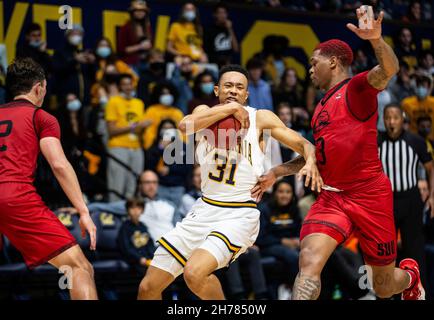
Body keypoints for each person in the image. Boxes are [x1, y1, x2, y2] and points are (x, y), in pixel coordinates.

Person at [252, 7, 426, 300]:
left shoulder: (357, 88)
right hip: (332, 197)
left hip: (369, 195)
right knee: (307, 263)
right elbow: (315, 158)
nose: (309, 70)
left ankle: (411, 277)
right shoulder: (319, 108)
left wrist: (375, 41)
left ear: (332, 62)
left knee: (382, 287)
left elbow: (389, 70)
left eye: (313, 63)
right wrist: (276, 172)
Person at [137, 64, 322, 300]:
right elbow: (185, 126)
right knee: (148, 288)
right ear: (217, 90)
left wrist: (277, 172)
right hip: (203, 209)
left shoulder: (260, 118)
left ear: (247, 94)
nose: (233, 91)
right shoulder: (204, 111)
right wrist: (232, 108)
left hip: (238, 213)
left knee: (194, 273)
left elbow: (307, 147)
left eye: (239, 88)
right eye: (228, 86)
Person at [0, 57, 97, 299]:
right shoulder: (41, 117)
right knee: (79, 268)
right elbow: (59, 164)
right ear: (39, 87)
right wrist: (83, 211)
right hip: (15, 196)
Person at [378, 103, 434, 286]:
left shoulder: (415, 141)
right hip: (386, 203)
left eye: (395, 117)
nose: (391, 122)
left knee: (415, 249)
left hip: (411, 200)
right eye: (387, 118)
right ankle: (385, 294)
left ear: (403, 120)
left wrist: (432, 195)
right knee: (385, 252)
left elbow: (430, 168)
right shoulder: (376, 142)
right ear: (383, 120)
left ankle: (420, 292)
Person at [105, 73, 151, 201]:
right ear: (119, 87)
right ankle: (115, 215)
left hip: (137, 148)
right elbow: (111, 130)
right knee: (117, 186)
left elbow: (139, 128)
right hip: (118, 146)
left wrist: (143, 127)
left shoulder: (139, 103)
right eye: (124, 84)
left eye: (130, 84)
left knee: (134, 185)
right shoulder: (113, 102)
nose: (128, 87)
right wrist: (134, 126)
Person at [117, 197, 156, 273]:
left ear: (142, 210)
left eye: (138, 208)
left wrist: (154, 257)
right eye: (132, 208)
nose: (135, 211)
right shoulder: (125, 227)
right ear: (127, 210)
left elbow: (150, 244)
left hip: (147, 259)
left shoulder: (143, 227)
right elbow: (126, 248)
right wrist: (139, 258)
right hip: (133, 260)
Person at [117, 0, 152, 69]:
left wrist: (149, 46)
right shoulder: (126, 27)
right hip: (130, 63)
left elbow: (150, 44)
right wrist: (140, 46)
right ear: (132, 12)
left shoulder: (147, 27)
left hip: (146, 62)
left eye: (142, 11)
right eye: (137, 10)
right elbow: (122, 49)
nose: (140, 13)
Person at [401, 73, 434, 140]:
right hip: (412, 138)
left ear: (429, 88)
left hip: (431, 138)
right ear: (416, 87)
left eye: (424, 86)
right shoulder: (406, 103)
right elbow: (404, 122)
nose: (421, 88)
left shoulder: (433, 102)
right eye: (419, 86)